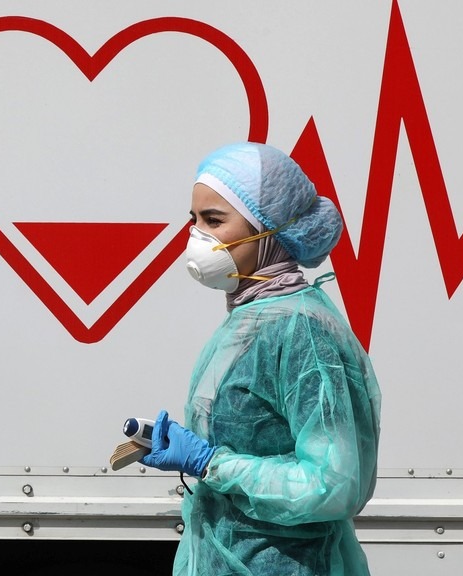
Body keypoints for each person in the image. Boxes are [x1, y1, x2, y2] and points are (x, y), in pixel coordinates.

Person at [141, 142, 382, 576]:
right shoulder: (250, 318)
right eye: (194, 220)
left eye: (214, 220)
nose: (198, 236)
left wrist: (210, 463)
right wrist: (193, 449)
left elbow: (334, 484)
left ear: (268, 229)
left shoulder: (302, 330)